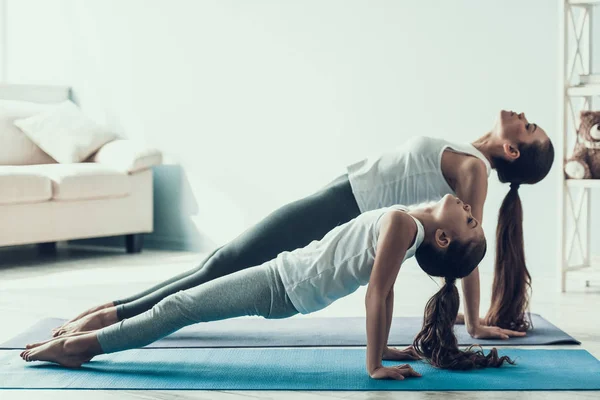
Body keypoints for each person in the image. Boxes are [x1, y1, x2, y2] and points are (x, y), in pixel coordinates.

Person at [53, 110, 554, 339]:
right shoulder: (467, 154)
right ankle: (113, 314)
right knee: (219, 263)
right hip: (339, 202)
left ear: (512, 150)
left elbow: (467, 249)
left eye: (528, 128)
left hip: (341, 212)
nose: (524, 116)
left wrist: (471, 320)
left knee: (222, 263)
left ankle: (110, 319)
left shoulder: (472, 172)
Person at [23, 195, 514, 379]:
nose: (469, 208)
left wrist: (374, 365)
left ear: (445, 236)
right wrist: (382, 346)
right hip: (287, 279)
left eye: (470, 220)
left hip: (283, 285)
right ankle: (85, 341)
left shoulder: (405, 226)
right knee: (180, 304)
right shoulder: (408, 224)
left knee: (178, 307)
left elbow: (377, 293)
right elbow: (380, 290)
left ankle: (82, 348)